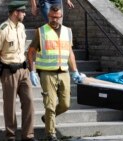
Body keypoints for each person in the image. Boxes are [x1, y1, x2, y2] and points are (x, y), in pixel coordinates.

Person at [27, 4, 82, 141]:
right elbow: (31, 51)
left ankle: (47, 118)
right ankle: (50, 134)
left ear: (61, 16)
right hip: (46, 72)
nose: (54, 20)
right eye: (52, 17)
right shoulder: (41, 31)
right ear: (48, 16)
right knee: (50, 104)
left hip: (63, 71)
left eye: (57, 17)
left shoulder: (68, 31)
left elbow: (70, 52)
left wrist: (75, 71)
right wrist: (32, 70)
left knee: (65, 104)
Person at [0, 1, 37, 141]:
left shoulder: (21, 27)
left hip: (23, 70)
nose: (24, 14)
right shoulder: (3, 29)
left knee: (29, 101)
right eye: (22, 12)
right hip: (9, 71)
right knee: (10, 105)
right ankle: (11, 136)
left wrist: (30, 69)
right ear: (15, 12)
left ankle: (28, 135)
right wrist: (1, 67)